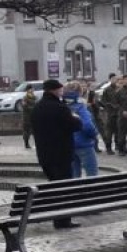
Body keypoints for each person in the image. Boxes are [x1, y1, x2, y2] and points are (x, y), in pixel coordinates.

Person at [32, 79, 82, 227]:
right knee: (64, 188)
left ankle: (57, 218)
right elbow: (76, 125)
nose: (62, 91)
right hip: (61, 155)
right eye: (60, 89)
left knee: (54, 186)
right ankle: (63, 220)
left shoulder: (37, 108)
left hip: (44, 155)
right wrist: (76, 118)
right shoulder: (60, 107)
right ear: (55, 90)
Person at [64, 84, 100, 178]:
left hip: (69, 145)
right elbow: (87, 126)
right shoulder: (80, 107)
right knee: (92, 175)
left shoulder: (62, 106)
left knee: (74, 175)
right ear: (79, 93)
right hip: (84, 144)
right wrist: (94, 134)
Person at [20, 86, 37, 150]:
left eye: (33, 89)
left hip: (34, 117)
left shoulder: (34, 97)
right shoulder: (25, 98)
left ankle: (37, 143)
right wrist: (33, 108)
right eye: (31, 89)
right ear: (27, 90)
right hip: (27, 117)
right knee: (27, 131)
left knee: (35, 131)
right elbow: (24, 106)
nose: (32, 90)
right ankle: (26, 144)